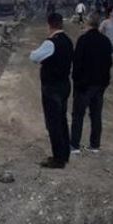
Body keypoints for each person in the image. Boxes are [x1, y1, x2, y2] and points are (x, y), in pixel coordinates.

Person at [30, 12, 74, 168]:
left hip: (52, 88)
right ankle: (65, 154)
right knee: (62, 120)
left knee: (53, 123)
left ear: (49, 25)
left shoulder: (50, 43)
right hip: (64, 85)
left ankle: (58, 159)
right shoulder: (68, 41)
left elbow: (34, 57)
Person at [71, 14, 112, 154]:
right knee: (96, 115)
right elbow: (109, 63)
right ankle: (95, 145)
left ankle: (75, 145)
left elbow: (76, 64)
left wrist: (76, 82)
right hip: (99, 85)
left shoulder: (83, 40)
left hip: (84, 86)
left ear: (88, 24)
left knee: (78, 115)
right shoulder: (106, 41)